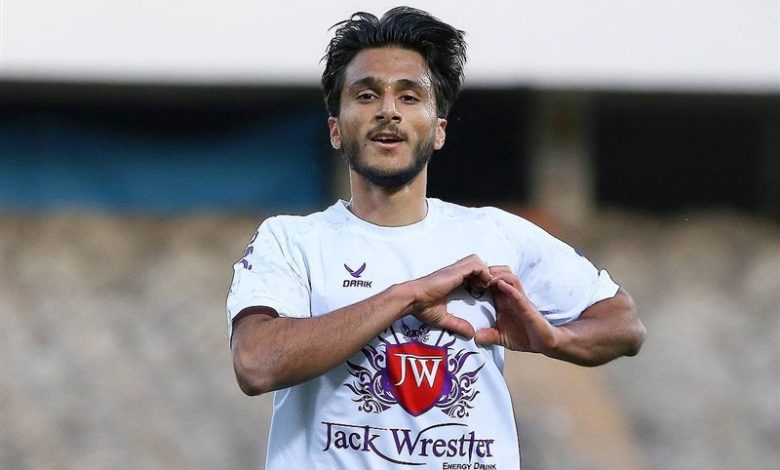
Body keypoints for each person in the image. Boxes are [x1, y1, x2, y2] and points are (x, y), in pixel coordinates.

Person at [226, 7, 645, 469]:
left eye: (409, 96)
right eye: (366, 95)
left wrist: (554, 339)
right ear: (335, 130)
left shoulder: (495, 234)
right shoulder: (292, 241)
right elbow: (256, 363)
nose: (388, 111)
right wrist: (407, 296)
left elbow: (623, 324)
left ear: (439, 130)